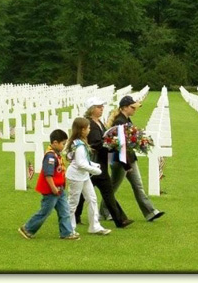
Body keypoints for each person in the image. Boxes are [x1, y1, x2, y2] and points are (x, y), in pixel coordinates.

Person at [101, 95, 165, 222]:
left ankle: (150, 212)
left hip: (128, 158)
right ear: (124, 107)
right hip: (120, 160)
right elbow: (120, 146)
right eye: (132, 107)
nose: (135, 110)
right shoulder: (120, 122)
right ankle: (104, 212)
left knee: (138, 186)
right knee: (112, 188)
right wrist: (126, 165)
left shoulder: (126, 119)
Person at [74, 97, 135, 228]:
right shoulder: (91, 124)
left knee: (90, 193)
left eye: (102, 106)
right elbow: (95, 144)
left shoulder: (99, 123)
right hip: (94, 164)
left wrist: (111, 143)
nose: (101, 108)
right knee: (105, 192)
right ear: (91, 109)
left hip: (100, 164)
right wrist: (111, 144)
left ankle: (76, 215)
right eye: (98, 107)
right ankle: (120, 220)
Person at [18, 129, 80, 240]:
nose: (64, 146)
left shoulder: (57, 154)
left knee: (64, 211)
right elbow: (48, 174)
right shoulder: (50, 156)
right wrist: (53, 188)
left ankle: (66, 232)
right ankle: (27, 228)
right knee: (45, 211)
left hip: (59, 189)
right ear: (55, 143)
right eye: (63, 143)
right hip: (52, 190)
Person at [65, 117, 112, 235]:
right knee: (72, 202)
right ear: (82, 130)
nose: (90, 129)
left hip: (84, 176)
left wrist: (94, 165)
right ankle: (69, 228)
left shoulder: (80, 143)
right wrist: (96, 171)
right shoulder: (79, 145)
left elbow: (83, 160)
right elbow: (80, 164)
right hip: (76, 176)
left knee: (92, 199)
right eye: (88, 128)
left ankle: (94, 226)